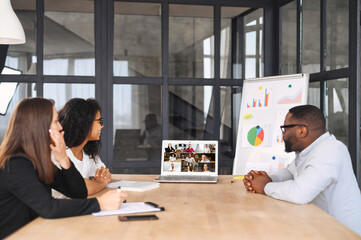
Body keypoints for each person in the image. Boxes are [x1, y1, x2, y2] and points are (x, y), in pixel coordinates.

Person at [0, 98, 127, 239]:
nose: (60, 127)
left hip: (36, 232)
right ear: (39, 126)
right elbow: (49, 208)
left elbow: (78, 193)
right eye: (55, 121)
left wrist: (64, 160)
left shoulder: (37, 161)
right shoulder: (16, 164)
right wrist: (100, 203)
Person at [243, 105, 361, 236]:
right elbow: (290, 172)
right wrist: (269, 179)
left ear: (302, 131)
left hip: (342, 233)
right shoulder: (311, 150)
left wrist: (265, 186)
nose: (283, 134)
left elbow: (300, 193)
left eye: (285, 129)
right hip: (320, 226)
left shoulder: (331, 151)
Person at [53, 98, 109, 196]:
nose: (102, 126)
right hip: (64, 208)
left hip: (79, 206)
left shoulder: (87, 151)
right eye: (99, 121)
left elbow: (103, 173)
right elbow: (81, 187)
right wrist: (100, 183)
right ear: (85, 122)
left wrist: (98, 182)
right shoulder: (59, 152)